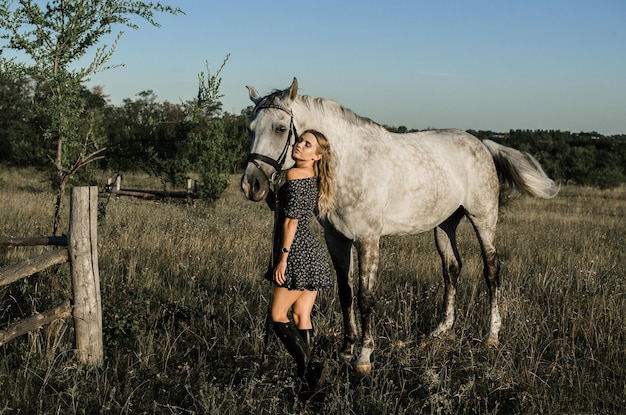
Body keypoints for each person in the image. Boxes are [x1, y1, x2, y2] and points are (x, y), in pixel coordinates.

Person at [265, 129, 335, 391]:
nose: (299, 145)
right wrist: (272, 194)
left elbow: (291, 221)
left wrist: (282, 259)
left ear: (317, 156)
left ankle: (308, 368)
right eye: (300, 141)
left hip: (296, 253)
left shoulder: (295, 174)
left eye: (308, 145)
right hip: (313, 255)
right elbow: (286, 210)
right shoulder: (314, 177)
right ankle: (309, 385)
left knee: (278, 315)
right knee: (301, 315)